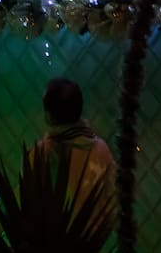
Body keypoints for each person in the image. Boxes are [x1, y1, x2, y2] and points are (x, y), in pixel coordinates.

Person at [32, 78, 116, 223]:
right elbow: (113, 204)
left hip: (51, 244)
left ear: (49, 115)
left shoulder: (41, 154)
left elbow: (27, 207)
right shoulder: (101, 150)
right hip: (96, 243)